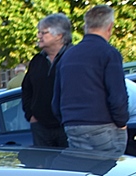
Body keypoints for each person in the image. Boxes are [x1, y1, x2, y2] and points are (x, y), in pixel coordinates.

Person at [52, 5, 128, 156]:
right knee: (109, 168)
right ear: (110, 27)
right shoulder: (109, 53)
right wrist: (122, 122)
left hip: (72, 125)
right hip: (103, 125)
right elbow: (117, 96)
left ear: (85, 26)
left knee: (83, 168)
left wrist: (68, 119)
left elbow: (56, 102)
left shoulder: (67, 56)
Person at [22, 13, 72, 147]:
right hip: (41, 128)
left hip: (68, 126)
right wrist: (31, 115)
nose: (39, 36)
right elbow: (27, 90)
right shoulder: (37, 61)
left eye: (43, 33)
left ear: (59, 35)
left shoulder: (74, 58)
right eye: (39, 32)